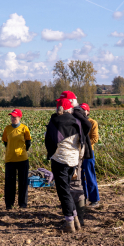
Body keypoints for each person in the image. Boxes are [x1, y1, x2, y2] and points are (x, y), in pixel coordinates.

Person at [45, 99, 84, 233]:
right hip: (73, 161)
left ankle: (69, 224)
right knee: (67, 189)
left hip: (60, 161)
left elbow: (49, 140)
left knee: (64, 192)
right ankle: (76, 220)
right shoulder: (76, 121)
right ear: (70, 109)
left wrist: (51, 154)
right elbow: (81, 141)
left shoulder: (54, 122)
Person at [2, 109, 31, 210]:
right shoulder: (7, 129)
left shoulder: (24, 128)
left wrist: (21, 151)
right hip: (10, 160)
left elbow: (28, 143)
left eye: (15, 117)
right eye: (11, 116)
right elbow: (5, 142)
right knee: (10, 183)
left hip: (22, 159)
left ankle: (22, 204)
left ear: (19, 117)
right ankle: (9, 204)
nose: (12, 118)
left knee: (23, 183)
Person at [79, 103, 100, 207]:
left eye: (84, 110)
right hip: (78, 154)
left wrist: (84, 145)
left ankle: (94, 199)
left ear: (88, 111)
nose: (82, 112)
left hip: (88, 153)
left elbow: (95, 138)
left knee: (90, 175)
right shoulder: (77, 122)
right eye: (80, 110)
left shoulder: (92, 123)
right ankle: (83, 198)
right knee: (80, 177)